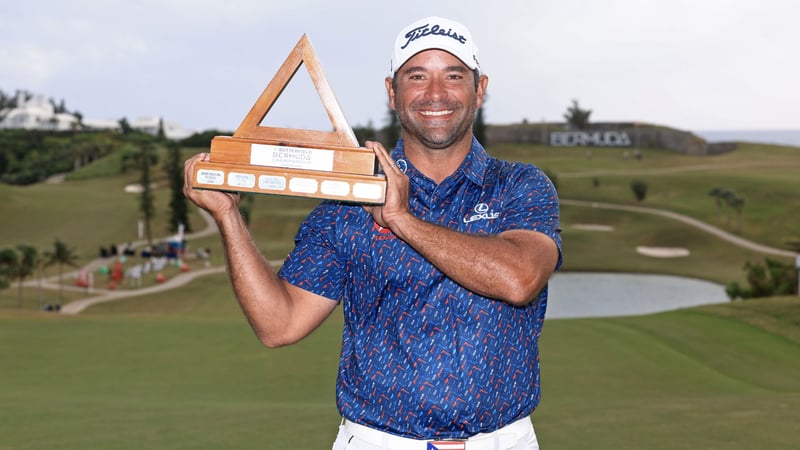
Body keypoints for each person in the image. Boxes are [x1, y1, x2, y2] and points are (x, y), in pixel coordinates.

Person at [184, 16, 561, 450]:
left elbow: (520, 279)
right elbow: (279, 324)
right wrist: (228, 216)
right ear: (392, 93)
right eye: (416, 77)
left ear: (479, 89)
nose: (435, 94)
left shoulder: (520, 185)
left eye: (453, 76)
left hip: (502, 441)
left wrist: (402, 220)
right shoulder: (348, 202)